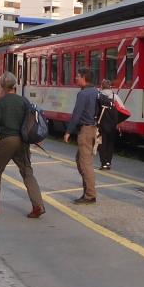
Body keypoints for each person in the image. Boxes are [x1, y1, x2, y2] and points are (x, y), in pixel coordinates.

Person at [0, 72, 45, 218]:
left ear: (1, 86)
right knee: (27, 172)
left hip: (7, 140)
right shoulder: (23, 101)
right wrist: (36, 138)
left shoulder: (1, 102)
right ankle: (38, 205)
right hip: (23, 141)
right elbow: (30, 122)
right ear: (14, 85)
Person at [64, 70, 100, 204]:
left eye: (78, 76)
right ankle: (87, 191)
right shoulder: (96, 91)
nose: (75, 78)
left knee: (85, 163)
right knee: (80, 160)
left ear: (84, 78)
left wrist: (68, 131)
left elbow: (76, 114)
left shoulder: (83, 94)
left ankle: (90, 195)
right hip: (94, 129)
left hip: (85, 130)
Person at [97, 79, 122, 171]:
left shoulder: (98, 95)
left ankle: (103, 163)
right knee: (110, 143)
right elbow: (122, 108)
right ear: (110, 86)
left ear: (102, 86)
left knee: (101, 143)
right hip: (112, 124)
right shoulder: (115, 96)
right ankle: (108, 162)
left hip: (101, 124)